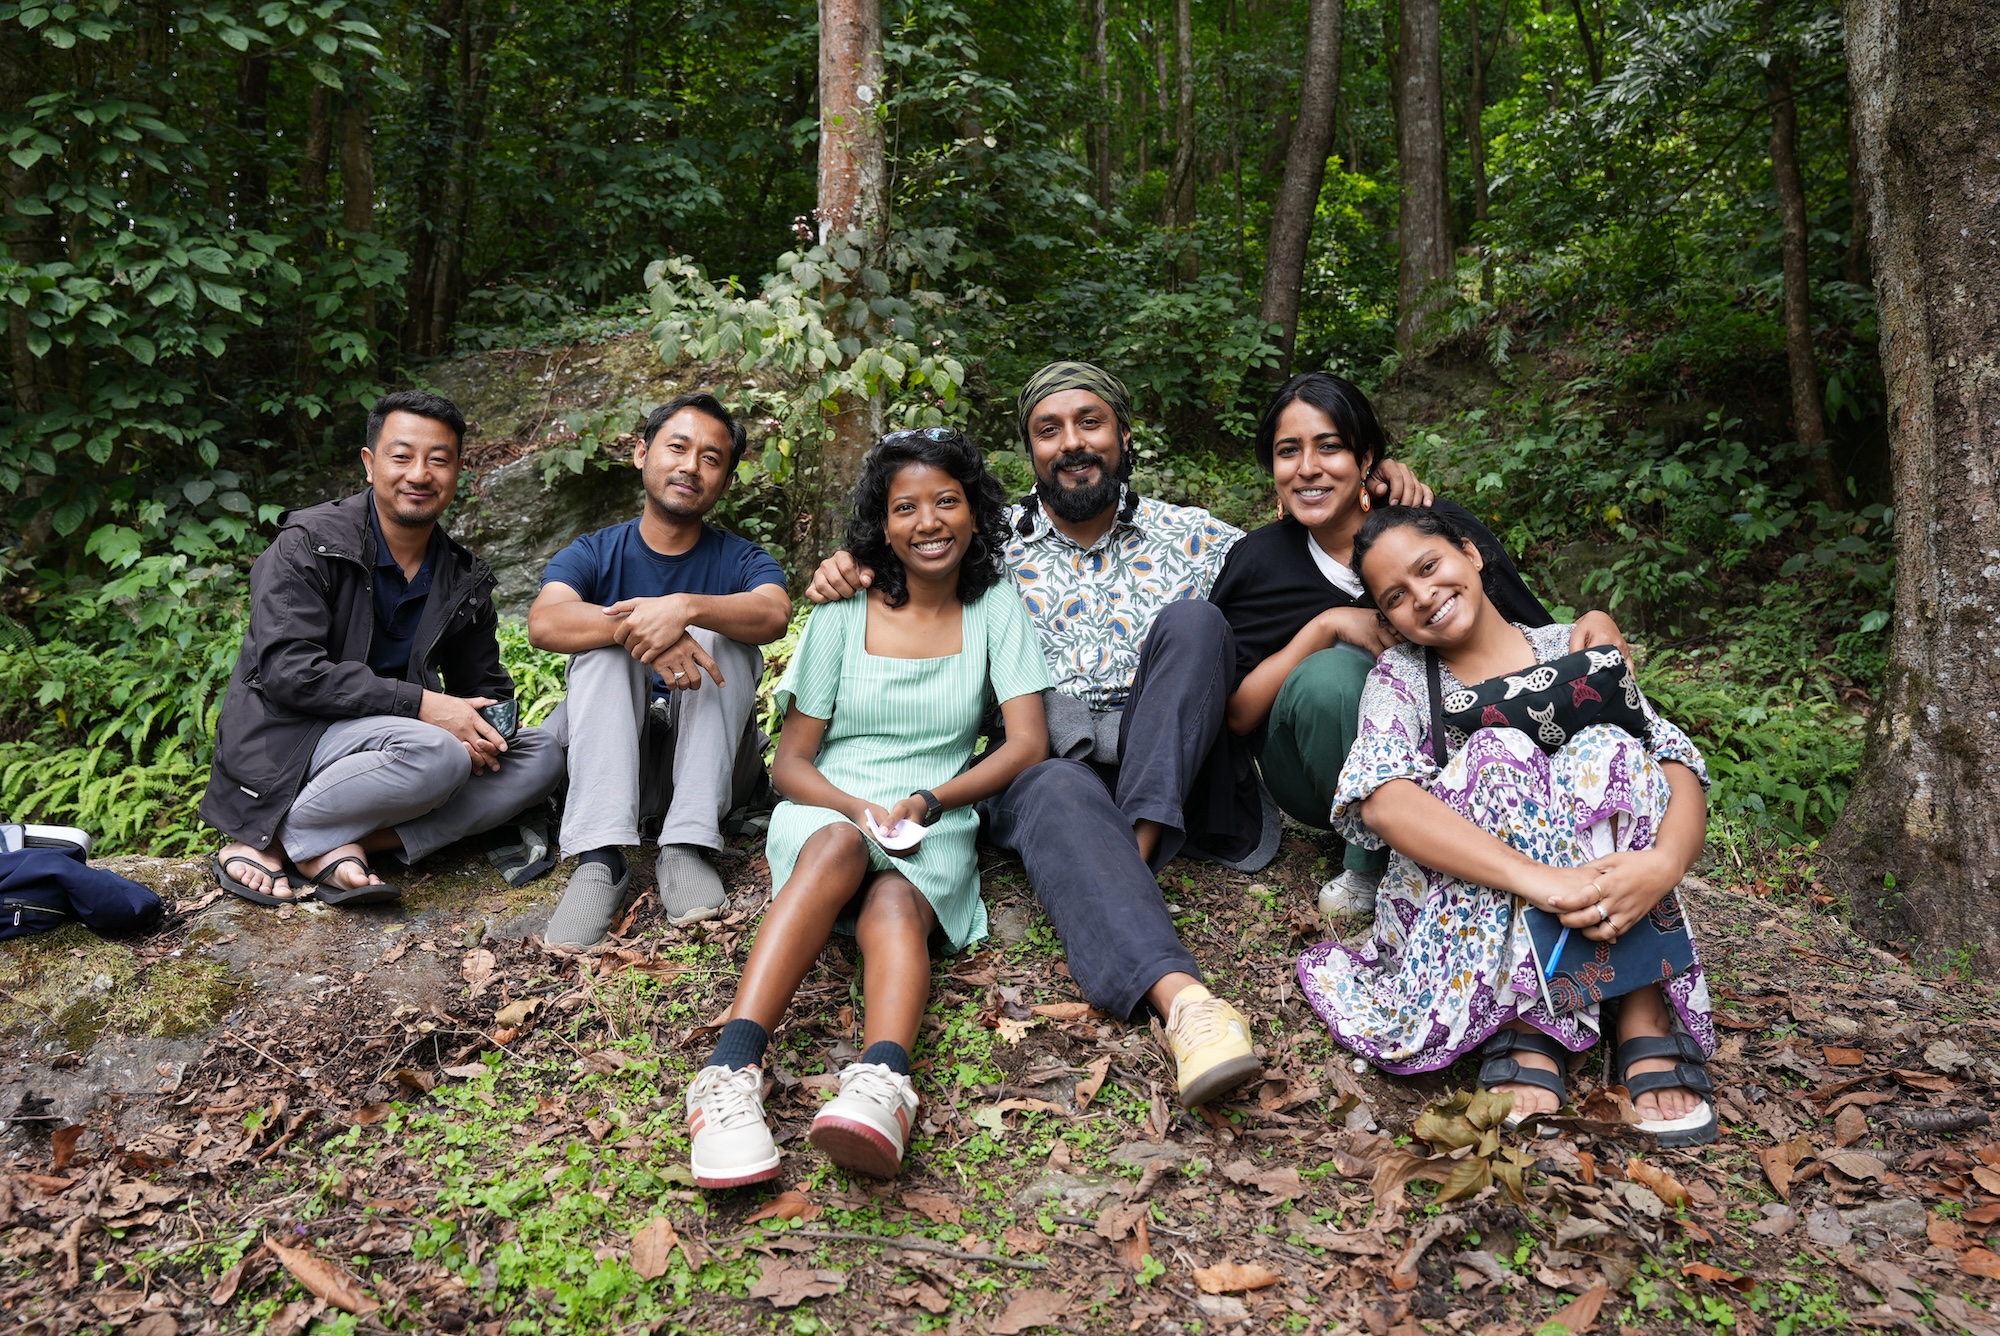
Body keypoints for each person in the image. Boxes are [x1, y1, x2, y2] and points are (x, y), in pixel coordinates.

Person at [806, 361, 1429, 1109]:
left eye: (1090, 423)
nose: (1073, 443)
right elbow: (908, 551)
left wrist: (1379, 483)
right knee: (1056, 776)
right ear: (1030, 450)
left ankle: (1124, 858)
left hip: (1170, 765)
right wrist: (852, 564)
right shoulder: (982, 548)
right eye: (1049, 430)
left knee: (1197, 624)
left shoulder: (1196, 536)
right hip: (1049, 770)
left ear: (1123, 436)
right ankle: (1187, 1007)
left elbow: (1313, 533)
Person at [685, 429, 1050, 1187]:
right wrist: (855, 807)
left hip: (932, 819)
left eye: (947, 502)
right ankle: (727, 1074)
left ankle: (883, 1083)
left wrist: (928, 800)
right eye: (906, 507)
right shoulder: (843, 612)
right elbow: (790, 763)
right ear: (882, 526)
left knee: (893, 904)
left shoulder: (995, 608)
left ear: (974, 514)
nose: (929, 522)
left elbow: (1025, 745)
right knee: (839, 851)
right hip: (831, 808)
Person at [1298, 505, 1717, 1145]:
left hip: (1614, 892)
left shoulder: (1569, 646)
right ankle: (1531, 1018)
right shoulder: (1404, 680)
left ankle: (1638, 1003)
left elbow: (1672, 761)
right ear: (1387, 621)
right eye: (1397, 596)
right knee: (1499, 754)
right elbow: (1381, 796)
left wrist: (1665, 865)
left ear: (1471, 551)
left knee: (1610, 743)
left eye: (1430, 566)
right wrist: (1543, 881)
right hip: (1485, 900)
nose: (1424, 597)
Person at [1210, 372, 1628, 922]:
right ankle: (1371, 868)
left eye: (1329, 446)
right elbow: (1236, 717)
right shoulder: (1259, 561)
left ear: (1368, 459)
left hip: (1459, 760)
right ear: (1273, 470)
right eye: (1289, 452)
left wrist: (1596, 619)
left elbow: (1532, 643)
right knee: (1334, 674)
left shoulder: (1432, 530)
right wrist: (1325, 626)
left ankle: (1471, 836)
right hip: (1317, 768)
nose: (1308, 467)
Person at [202, 389, 566, 906]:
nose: (419, 474)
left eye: (438, 460)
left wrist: (486, 732)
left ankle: (338, 843)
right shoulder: (307, 544)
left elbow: (482, 686)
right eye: (402, 456)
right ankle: (278, 835)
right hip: (293, 739)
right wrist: (425, 707)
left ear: (458, 469)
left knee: (541, 754)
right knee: (434, 750)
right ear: (370, 464)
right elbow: (289, 672)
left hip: (398, 750)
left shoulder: (461, 576)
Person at [529, 393, 792, 948]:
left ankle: (688, 847)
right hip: (619, 762)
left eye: (711, 458)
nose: (690, 466)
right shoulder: (594, 552)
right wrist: (646, 631)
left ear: (724, 482)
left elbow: (773, 614)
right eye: (677, 447)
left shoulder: (743, 560)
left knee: (728, 639)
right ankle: (600, 860)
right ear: (642, 454)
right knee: (602, 648)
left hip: (710, 766)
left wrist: (687, 610)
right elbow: (546, 622)